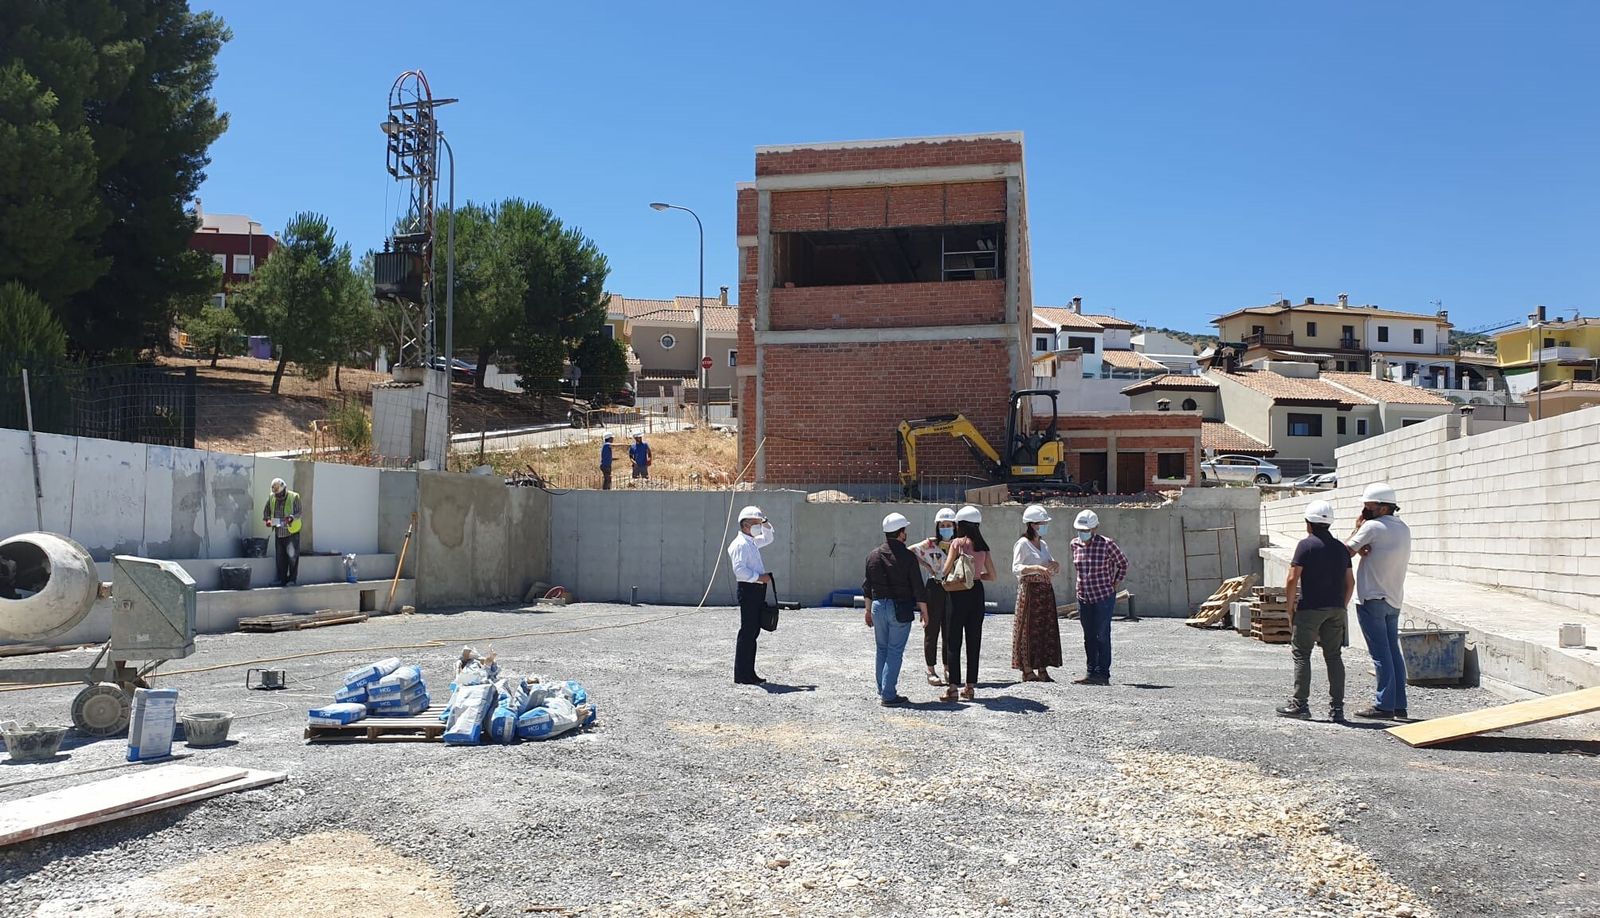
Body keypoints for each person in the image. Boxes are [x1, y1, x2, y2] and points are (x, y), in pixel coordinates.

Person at [1277, 500, 1354, 721]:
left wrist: (1289, 608)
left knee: (1302, 655)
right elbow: (1351, 582)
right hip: (1336, 608)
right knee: (1334, 656)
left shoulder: (1306, 545)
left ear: (1308, 522)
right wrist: (1342, 606)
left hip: (1310, 608)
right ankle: (1337, 709)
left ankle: (1300, 704)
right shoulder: (1341, 548)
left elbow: (1292, 579)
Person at [1346, 482, 1413, 720]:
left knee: (1380, 654)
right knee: (1393, 653)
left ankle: (1384, 705)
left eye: (1369, 506)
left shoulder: (1372, 527)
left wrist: (1357, 530)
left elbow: (1345, 551)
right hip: (1393, 598)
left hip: (1372, 597)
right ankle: (1398, 705)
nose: (1365, 510)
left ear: (1384, 508)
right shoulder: (1403, 528)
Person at [862, 513, 929, 706]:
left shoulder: (872, 555)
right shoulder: (908, 556)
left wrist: (867, 610)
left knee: (881, 649)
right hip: (899, 607)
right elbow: (917, 586)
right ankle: (889, 695)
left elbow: (867, 585)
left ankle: (882, 688)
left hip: (877, 606)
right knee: (894, 651)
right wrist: (924, 611)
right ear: (901, 533)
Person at [939, 505, 997, 702]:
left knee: (953, 640)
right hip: (977, 592)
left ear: (960, 525)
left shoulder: (957, 543)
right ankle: (970, 687)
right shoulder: (983, 546)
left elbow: (946, 570)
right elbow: (993, 575)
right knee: (974, 640)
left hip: (958, 594)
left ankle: (953, 687)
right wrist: (974, 576)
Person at [1069, 509, 1127, 686]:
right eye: (1081, 530)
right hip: (1084, 597)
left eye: (1087, 530)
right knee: (1089, 636)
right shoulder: (1074, 544)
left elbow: (1123, 563)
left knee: (1102, 634)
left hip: (1103, 597)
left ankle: (1103, 673)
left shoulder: (1107, 544)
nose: (1083, 533)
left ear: (1095, 528)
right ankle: (1091, 671)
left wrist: (1115, 583)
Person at [1012, 504, 1063, 682]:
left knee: (1045, 629)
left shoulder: (1044, 544)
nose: (1045, 526)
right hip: (1030, 590)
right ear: (1033, 524)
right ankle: (1027, 669)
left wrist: (1054, 565)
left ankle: (1042, 668)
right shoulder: (1023, 544)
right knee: (1027, 628)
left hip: (1045, 590)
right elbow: (1016, 567)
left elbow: (1049, 563)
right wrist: (1035, 568)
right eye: (1043, 523)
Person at [727, 505, 774, 685]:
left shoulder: (751, 541)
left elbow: (769, 537)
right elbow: (739, 571)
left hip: (755, 589)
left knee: (753, 631)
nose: (759, 526)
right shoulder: (740, 544)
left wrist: (766, 521)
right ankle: (742, 674)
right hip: (749, 589)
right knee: (747, 632)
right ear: (746, 525)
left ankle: (749, 672)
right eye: (756, 523)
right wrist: (759, 577)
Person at [910, 508, 956, 686]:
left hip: (952, 587)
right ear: (938, 527)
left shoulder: (958, 544)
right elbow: (910, 550)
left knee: (950, 630)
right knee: (932, 628)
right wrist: (926, 566)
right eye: (942, 525)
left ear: (954, 526)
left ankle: (948, 667)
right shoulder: (931, 544)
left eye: (949, 525)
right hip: (934, 587)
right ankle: (930, 669)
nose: (946, 528)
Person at [261, 478, 303, 586]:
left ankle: (292, 580)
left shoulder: (294, 497)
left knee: (292, 558)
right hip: (279, 532)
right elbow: (266, 510)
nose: (278, 497)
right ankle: (282, 579)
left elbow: (299, 512)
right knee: (280, 558)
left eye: (279, 494)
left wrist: (291, 518)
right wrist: (267, 520)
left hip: (291, 532)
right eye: (276, 495)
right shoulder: (272, 497)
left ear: (284, 489)